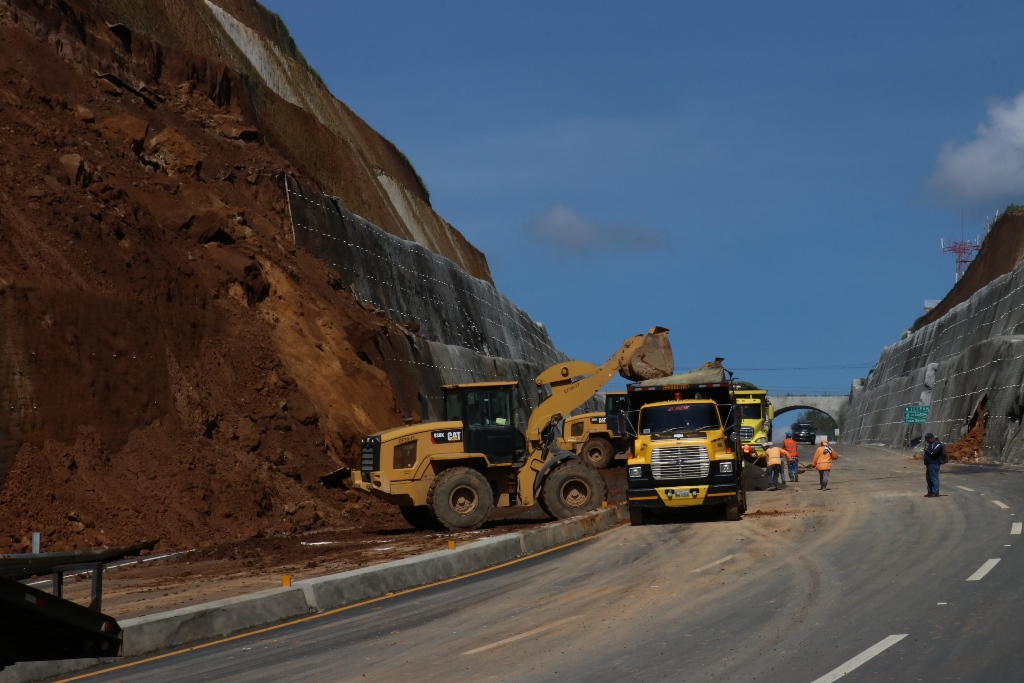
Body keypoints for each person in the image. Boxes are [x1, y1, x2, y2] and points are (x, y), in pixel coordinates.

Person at [923, 433, 947, 497]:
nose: (927, 441)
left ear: (931, 438)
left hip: (934, 463)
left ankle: (935, 492)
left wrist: (926, 450)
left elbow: (933, 453)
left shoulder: (937, 444)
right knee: (928, 478)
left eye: (928, 440)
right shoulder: (931, 444)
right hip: (929, 464)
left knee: (934, 478)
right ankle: (930, 491)